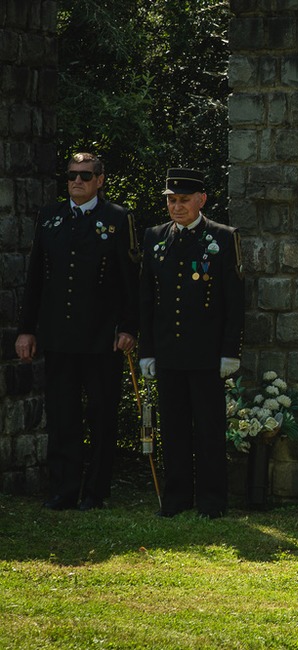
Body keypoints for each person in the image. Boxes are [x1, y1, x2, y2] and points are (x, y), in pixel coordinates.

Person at [16, 152, 140, 511]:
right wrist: (27, 329)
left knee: (102, 414)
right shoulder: (50, 218)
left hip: (102, 338)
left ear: (100, 179)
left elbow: (130, 280)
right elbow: (36, 277)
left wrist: (129, 327)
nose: (77, 182)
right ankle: (63, 489)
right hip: (59, 335)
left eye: (86, 175)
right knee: (62, 414)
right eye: (71, 175)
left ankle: (96, 491)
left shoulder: (118, 219)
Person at [138, 168, 244, 519]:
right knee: (174, 427)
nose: (176, 206)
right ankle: (177, 497)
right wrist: (147, 351)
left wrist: (230, 351)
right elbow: (147, 301)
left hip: (206, 354)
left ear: (201, 200)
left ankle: (212, 500)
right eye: (171, 200)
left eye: (183, 200)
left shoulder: (222, 238)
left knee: (209, 430)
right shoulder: (155, 237)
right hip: (169, 351)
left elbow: (234, 301)